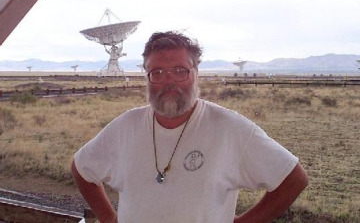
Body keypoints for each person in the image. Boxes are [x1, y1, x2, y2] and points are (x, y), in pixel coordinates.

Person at [71, 31, 308, 223]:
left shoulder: (230, 128)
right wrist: (109, 218)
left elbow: (293, 178)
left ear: (196, 73)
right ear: (147, 77)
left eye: (180, 71)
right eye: (158, 72)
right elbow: (81, 168)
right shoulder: (125, 127)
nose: (168, 80)